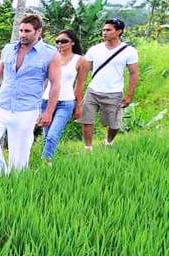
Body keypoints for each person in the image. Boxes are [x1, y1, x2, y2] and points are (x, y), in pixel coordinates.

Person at [0, 14, 61, 176]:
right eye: (21, 30)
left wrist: (48, 112)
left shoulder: (50, 54)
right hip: (1, 105)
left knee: (19, 158)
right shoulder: (9, 49)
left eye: (27, 31)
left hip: (26, 110)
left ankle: (14, 185)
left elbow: (55, 84)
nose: (23, 34)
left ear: (38, 32)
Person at [79, 18, 139, 150]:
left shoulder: (129, 51)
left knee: (114, 124)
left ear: (118, 31)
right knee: (87, 120)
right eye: (103, 30)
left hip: (114, 92)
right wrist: (78, 92)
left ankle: (108, 142)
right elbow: (84, 71)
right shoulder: (95, 49)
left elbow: (134, 73)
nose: (104, 32)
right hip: (93, 90)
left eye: (108, 30)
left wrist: (129, 95)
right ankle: (88, 148)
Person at [39, 29, 89, 161]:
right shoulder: (51, 57)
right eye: (58, 41)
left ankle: (46, 162)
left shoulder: (81, 60)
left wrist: (78, 106)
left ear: (72, 42)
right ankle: (45, 161)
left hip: (65, 102)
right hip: (46, 101)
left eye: (64, 41)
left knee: (53, 135)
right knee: (46, 135)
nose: (60, 44)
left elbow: (79, 86)